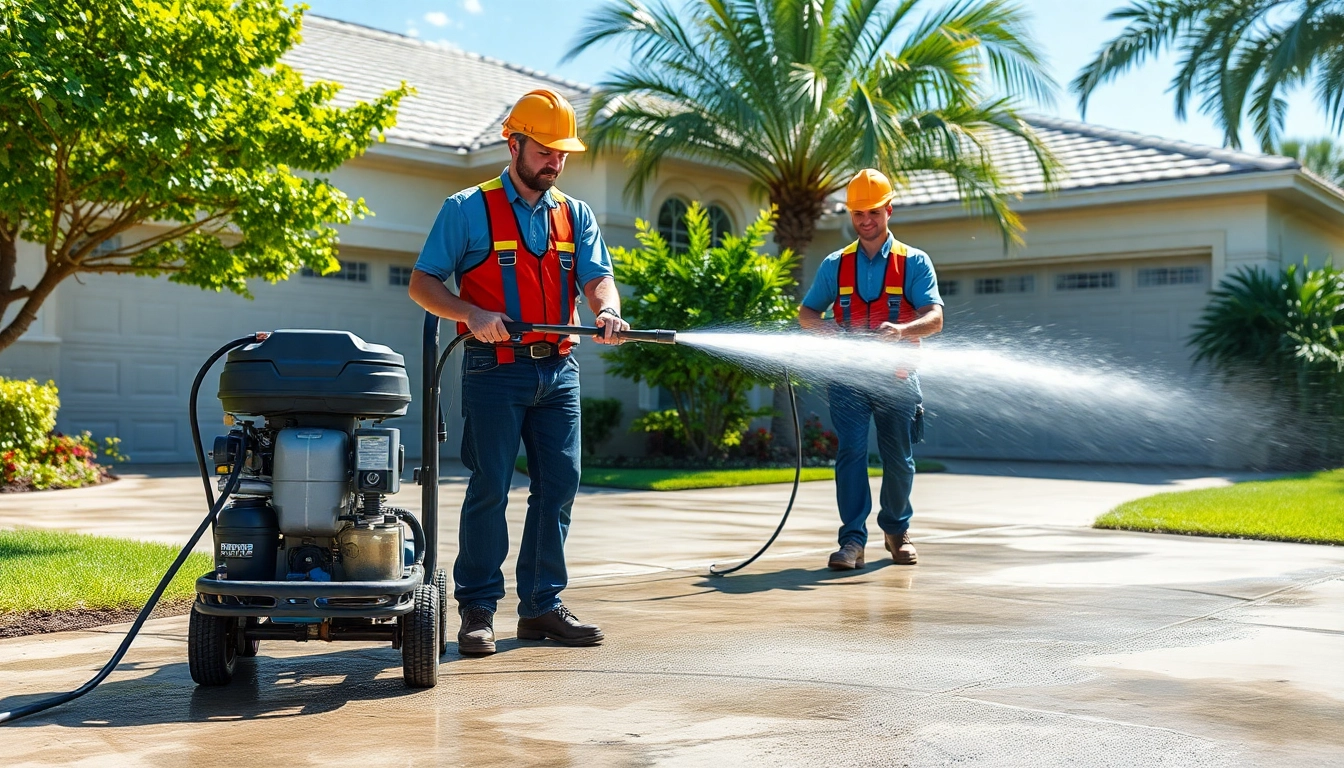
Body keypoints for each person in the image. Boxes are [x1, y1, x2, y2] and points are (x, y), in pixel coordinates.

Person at [408, 88, 630, 654]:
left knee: (559, 487)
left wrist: (608, 309)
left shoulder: (574, 214)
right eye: (544, 151)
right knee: (489, 489)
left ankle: (540, 608)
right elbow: (424, 283)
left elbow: (598, 278)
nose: (554, 162)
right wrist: (470, 313)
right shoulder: (467, 208)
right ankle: (477, 612)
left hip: (558, 374)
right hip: (492, 371)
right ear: (514, 144)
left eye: (562, 154)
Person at [797, 169, 943, 570]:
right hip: (847, 377)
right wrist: (822, 325)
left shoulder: (913, 262)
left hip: (897, 376)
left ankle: (897, 532)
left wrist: (903, 329)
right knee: (852, 454)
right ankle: (852, 542)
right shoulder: (835, 264)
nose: (865, 220)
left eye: (873, 212)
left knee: (898, 459)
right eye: (858, 212)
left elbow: (935, 318)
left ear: (888, 210)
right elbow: (806, 312)